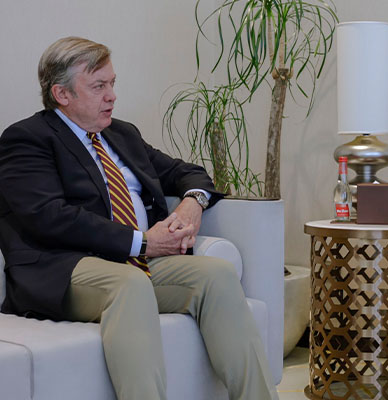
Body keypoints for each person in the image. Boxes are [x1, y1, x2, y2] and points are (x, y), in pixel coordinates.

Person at [0, 37, 278, 400]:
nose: (112, 96)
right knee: (128, 284)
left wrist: (192, 203)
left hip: (133, 261)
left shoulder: (121, 134)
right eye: (99, 86)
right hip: (65, 269)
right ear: (61, 94)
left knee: (217, 275)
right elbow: (49, 217)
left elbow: (187, 173)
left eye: (112, 83)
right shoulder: (27, 138)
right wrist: (144, 242)